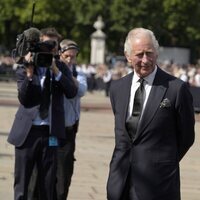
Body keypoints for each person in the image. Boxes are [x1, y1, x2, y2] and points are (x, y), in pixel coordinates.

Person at [106, 27, 195, 200]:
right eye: (139, 54)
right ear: (128, 56)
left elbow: (187, 137)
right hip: (120, 181)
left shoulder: (176, 89)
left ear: (156, 53)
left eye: (150, 53)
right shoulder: (117, 88)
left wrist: (162, 162)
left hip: (158, 184)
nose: (145, 60)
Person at [7, 27, 78, 200]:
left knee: (47, 181)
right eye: (45, 43)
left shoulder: (60, 67)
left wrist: (55, 70)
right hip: (28, 132)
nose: (49, 48)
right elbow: (24, 98)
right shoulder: (25, 65)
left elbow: (71, 92)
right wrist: (30, 74)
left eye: (53, 44)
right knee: (22, 183)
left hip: (50, 133)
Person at [56, 39, 87, 200]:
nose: (69, 60)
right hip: (50, 131)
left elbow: (80, 90)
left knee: (64, 174)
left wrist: (65, 74)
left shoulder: (78, 74)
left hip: (68, 132)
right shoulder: (51, 70)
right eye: (67, 56)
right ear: (59, 54)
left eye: (73, 57)